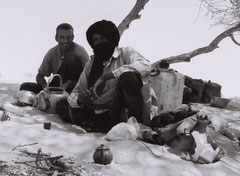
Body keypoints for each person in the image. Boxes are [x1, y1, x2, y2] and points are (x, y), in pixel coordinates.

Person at [63, 20, 157, 133]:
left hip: (127, 113)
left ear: (112, 39)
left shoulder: (126, 53)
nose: (99, 43)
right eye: (96, 40)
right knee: (62, 104)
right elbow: (75, 93)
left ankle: (138, 125)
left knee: (128, 77)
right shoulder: (92, 63)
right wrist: (80, 99)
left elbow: (146, 65)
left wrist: (107, 76)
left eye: (103, 38)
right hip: (102, 113)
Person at [20, 23, 89, 94]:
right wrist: (45, 88)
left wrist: (69, 85)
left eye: (69, 37)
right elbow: (40, 76)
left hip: (75, 88)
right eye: (62, 37)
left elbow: (90, 76)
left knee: (70, 59)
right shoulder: (52, 53)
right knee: (25, 87)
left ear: (73, 37)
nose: (66, 41)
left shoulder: (80, 52)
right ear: (56, 38)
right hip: (56, 88)